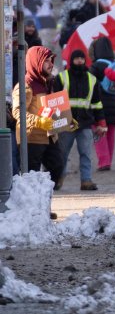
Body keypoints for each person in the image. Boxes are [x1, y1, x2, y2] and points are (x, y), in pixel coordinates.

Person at [12, 46, 68, 219]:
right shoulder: (25, 85)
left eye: (52, 60)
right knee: (31, 175)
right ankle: (34, 211)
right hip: (31, 138)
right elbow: (17, 112)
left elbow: (55, 107)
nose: (51, 64)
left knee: (57, 167)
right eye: (47, 60)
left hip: (50, 136)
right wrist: (39, 121)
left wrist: (67, 119)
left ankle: (43, 205)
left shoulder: (49, 82)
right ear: (37, 62)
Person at [54, 49, 106, 191]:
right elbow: (55, 102)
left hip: (85, 124)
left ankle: (86, 181)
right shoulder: (61, 77)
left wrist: (101, 123)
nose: (79, 61)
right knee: (62, 154)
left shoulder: (92, 79)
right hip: (66, 123)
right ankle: (58, 178)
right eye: (77, 58)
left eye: (81, 59)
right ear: (72, 60)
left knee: (86, 154)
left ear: (85, 60)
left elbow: (97, 103)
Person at [89, 36, 115, 172]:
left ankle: (104, 162)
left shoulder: (96, 66)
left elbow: (90, 84)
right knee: (111, 133)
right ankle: (109, 159)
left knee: (99, 133)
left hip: (100, 105)